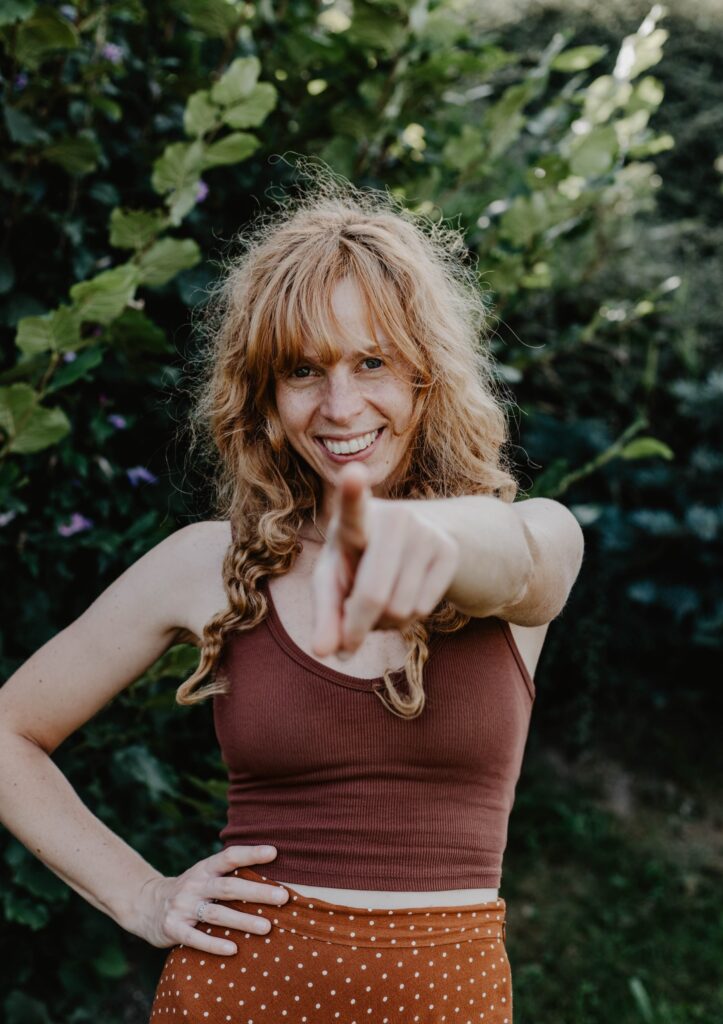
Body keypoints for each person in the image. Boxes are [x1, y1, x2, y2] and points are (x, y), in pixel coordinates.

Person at [0, 170, 584, 1024]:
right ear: (266, 398)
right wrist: (141, 894)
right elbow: (9, 733)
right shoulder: (209, 563)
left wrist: (412, 537)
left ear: (425, 374)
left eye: (372, 361)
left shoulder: (533, 532)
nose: (340, 406)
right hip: (236, 992)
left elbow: (519, 566)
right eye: (303, 370)